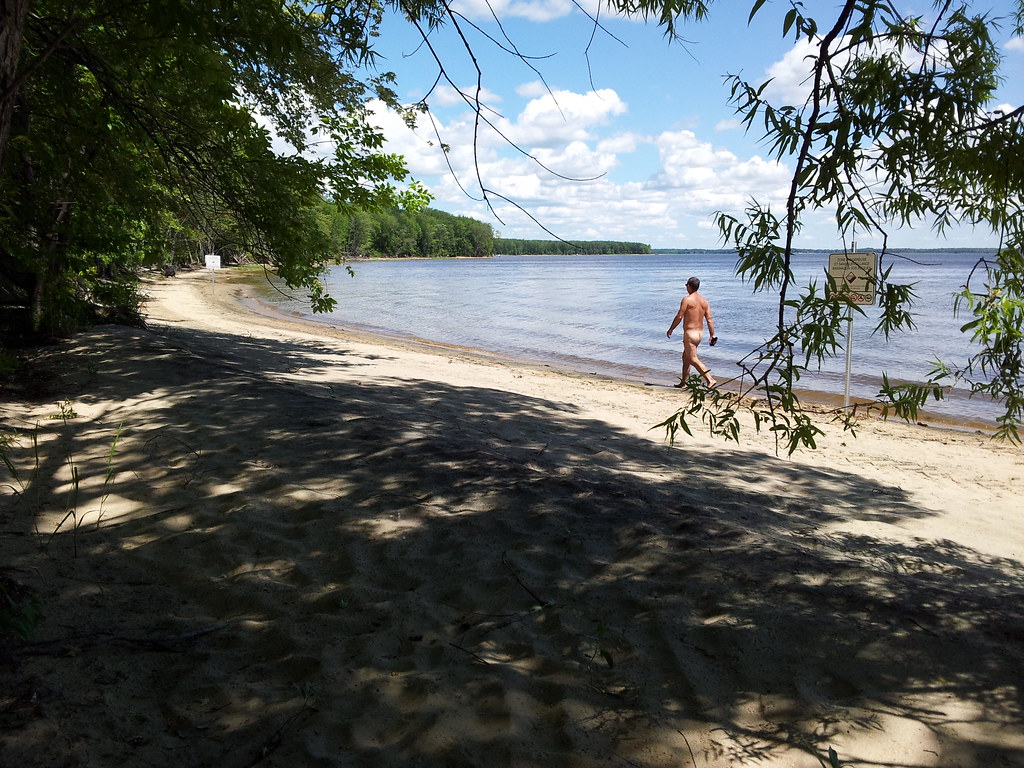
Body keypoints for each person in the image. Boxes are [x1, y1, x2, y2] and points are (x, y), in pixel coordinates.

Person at [666, 276, 717, 388]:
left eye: (686, 286)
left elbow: (679, 316)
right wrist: (712, 334)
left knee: (692, 359)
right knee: (686, 357)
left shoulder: (687, 300)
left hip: (690, 334)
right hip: (699, 334)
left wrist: (671, 329)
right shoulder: (704, 301)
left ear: (688, 286)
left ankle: (710, 379)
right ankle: (683, 383)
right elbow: (709, 319)